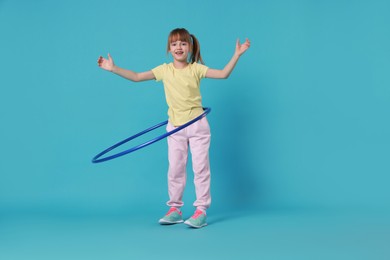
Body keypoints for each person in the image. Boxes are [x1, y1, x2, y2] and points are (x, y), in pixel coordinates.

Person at [97, 28, 250, 228]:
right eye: (174, 44)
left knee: (200, 169)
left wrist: (236, 55)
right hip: (175, 127)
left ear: (190, 47)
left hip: (197, 126)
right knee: (175, 169)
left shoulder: (196, 69)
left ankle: (201, 210)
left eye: (183, 43)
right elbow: (136, 76)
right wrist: (113, 68)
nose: (179, 47)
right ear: (169, 49)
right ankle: (175, 209)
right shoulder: (164, 70)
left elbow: (223, 74)